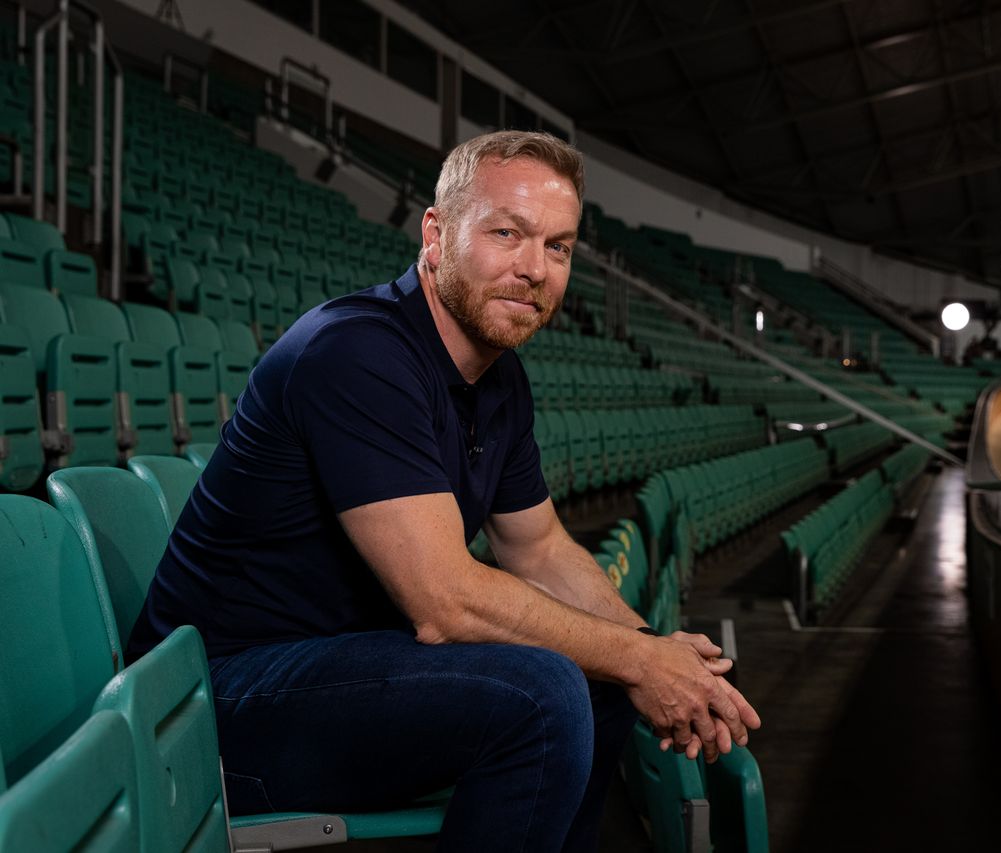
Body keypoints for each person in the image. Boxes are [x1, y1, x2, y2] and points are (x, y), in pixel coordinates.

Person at [127, 130, 760, 852]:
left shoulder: (500, 379)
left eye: (558, 247)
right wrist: (641, 659)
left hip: (336, 671)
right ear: (436, 233)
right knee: (545, 696)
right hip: (219, 704)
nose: (534, 269)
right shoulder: (356, 351)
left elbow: (542, 548)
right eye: (506, 233)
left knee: (598, 677)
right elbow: (443, 601)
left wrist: (651, 652)